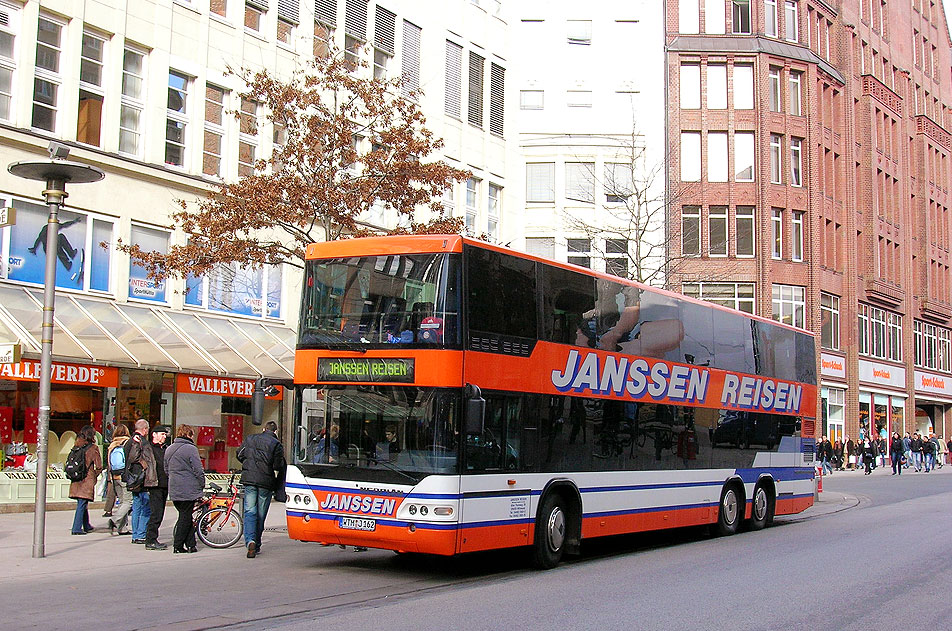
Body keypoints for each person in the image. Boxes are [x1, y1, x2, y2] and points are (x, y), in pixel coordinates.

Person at [237, 421, 287, 558]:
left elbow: (239, 454)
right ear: (275, 432)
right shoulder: (276, 445)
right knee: (260, 513)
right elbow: (277, 465)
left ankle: (250, 541)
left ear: (263, 429)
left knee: (249, 511)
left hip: (249, 479)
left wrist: (250, 464)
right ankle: (256, 543)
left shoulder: (250, 439)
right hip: (266, 482)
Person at [165, 424, 205, 554]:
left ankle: (191, 545)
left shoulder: (169, 448)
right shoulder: (190, 449)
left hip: (174, 487)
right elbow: (198, 469)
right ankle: (178, 545)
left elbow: (166, 469)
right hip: (188, 488)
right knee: (185, 517)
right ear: (189, 434)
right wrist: (202, 483)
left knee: (185, 516)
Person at [68, 425, 103, 535]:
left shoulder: (76, 445)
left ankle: (86, 525)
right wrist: (94, 476)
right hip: (86, 479)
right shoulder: (93, 448)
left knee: (82, 501)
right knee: (82, 502)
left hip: (76, 478)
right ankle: (76, 528)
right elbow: (99, 466)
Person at [125, 419, 152, 544]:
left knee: (136, 506)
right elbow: (145, 458)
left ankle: (135, 534)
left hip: (131, 478)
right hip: (140, 478)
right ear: (145, 429)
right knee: (146, 507)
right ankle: (140, 534)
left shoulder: (128, 442)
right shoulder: (142, 442)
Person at [107, 424, 133, 535]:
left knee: (122, 502)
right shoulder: (128, 443)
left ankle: (122, 528)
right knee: (129, 501)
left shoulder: (112, 445)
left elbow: (109, 463)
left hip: (114, 476)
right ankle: (114, 520)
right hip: (124, 476)